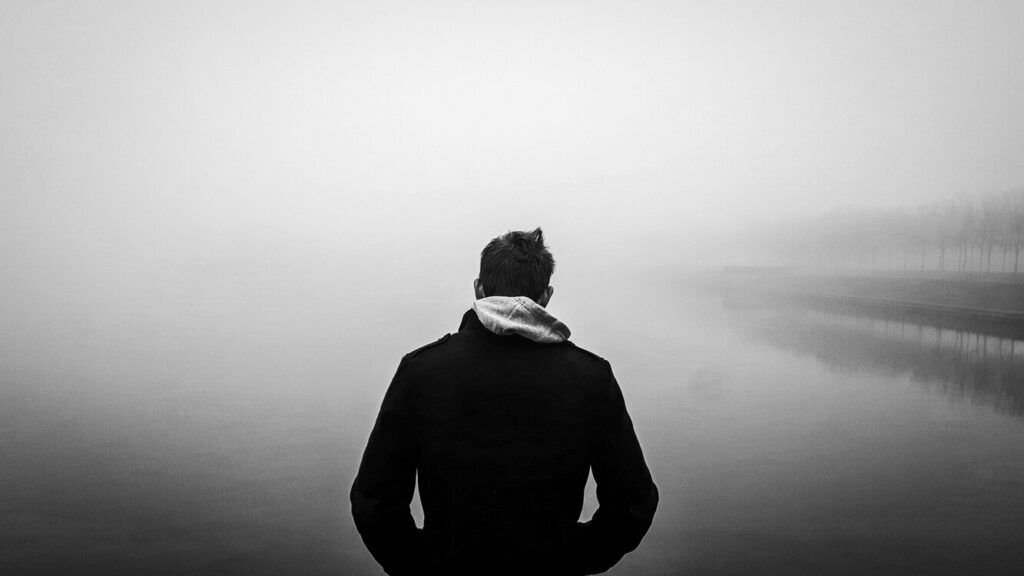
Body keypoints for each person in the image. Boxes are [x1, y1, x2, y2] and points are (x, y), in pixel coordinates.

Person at [351, 228, 658, 576]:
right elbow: (634, 503)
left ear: (479, 289)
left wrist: (426, 564)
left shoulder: (422, 371)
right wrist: (573, 557)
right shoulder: (591, 378)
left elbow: (374, 504)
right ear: (546, 296)